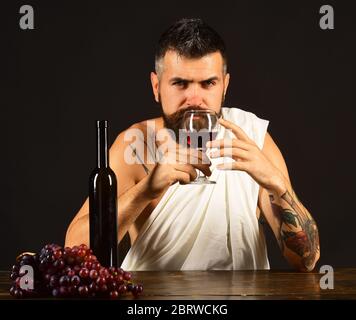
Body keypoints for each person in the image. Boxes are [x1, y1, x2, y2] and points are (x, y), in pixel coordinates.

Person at [65, 18, 320, 271]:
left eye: (208, 83)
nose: (195, 99)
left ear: (224, 86)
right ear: (157, 87)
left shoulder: (250, 137)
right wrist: (146, 190)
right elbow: (73, 254)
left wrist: (277, 185)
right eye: (180, 83)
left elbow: (306, 261)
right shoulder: (135, 145)